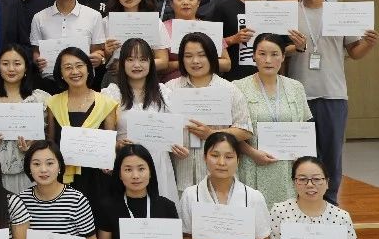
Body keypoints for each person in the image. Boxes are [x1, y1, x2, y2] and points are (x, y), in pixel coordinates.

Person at [286, 0, 379, 204]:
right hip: (297, 96)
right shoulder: (289, 13)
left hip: (333, 94)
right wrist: (294, 48)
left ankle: (330, 204)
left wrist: (368, 44)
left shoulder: (340, 14)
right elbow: (275, 51)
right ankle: (301, 204)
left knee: (331, 156)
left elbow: (354, 52)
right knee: (301, 155)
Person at [164, 33, 253, 192]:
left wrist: (212, 134)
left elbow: (245, 130)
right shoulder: (169, 89)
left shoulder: (229, 89)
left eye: (201, 55)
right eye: (188, 56)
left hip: (220, 179)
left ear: (212, 56)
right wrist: (169, 144)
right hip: (180, 175)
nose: (195, 61)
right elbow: (160, 127)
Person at [235, 33, 312, 207]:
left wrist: (301, 154)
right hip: (252, 165)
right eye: (262, 54)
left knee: (285, 215)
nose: (268, 60)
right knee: (254, 215)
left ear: (283, 56)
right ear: (253, 56)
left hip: (287, 167)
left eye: (274, 54)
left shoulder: (296, 87)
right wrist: (252, 153)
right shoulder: (238, 87)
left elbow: (303, 129)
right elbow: (232, 132)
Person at [103, 38, 182, 203]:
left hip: (158, 163)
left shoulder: (164, 92)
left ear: (151, 63)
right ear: (122, 63)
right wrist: (117, 145)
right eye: (130, 59)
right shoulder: (112, 93)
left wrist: (178, 147)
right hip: (127, 164)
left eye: (143, 59)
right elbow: (107, 138)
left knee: (161, 210)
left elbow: (174, 131)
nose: (136, 65)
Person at [43, 47, 118, 211]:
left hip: (97, 178)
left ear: (88, 69)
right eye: (68, 67)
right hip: (63, 177)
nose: (75, 72)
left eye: (79, 66)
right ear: (61, 73)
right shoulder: (53, 103)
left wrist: (109, 161)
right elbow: (51, 141)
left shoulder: (106, 103)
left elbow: (110, 146)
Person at [208, 0, 300, 82]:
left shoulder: (277, 8)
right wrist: (233, 39)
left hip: (270, 81)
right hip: (234, 81)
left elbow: (286, 47)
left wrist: (299, 46)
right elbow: (210, 45)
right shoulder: (223, 8)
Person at [0, 43, 49, 194]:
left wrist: (35, 143)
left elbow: (51, 138)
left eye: (17, 64)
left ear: (26, 68)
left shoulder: (41, 98)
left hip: (30, 173)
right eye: (5, 64)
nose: (11, 69)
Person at [29, 0, 107, 79]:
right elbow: (36, 51)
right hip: (49, 80)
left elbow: (97, 50)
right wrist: (37, 60)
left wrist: (98, 57)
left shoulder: (94, 16)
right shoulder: (39, 17)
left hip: (82, 81)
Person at [102, 0, 170, 77]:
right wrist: (106, 52)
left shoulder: (154, 22)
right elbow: (100, 60)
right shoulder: (107, 21)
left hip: (145, 77)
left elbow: (163, 61)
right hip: (115, 77)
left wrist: (126, 66)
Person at [160, 0, 230, 82]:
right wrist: (184, 63)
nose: (185, 2)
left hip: (207, 86)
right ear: (171, 3)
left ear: (198, 2)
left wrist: (199, 62)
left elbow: (227, 64)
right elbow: (158, 67)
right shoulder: (162, 28)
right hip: (173, 86)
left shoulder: (209, 28)